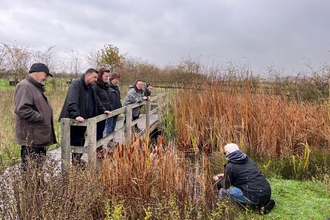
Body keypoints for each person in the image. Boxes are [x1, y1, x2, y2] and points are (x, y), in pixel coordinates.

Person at [59, 68, 111, 163]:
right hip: (75, 119)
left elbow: (96, 100)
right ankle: (76, 161)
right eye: (94, 77)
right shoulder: (76, 84)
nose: (96, 79)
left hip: (84, 120)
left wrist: (103, 109)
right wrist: (76, 115)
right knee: (76, 141)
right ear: (87, 75)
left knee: (81, 139)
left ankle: (78, 160)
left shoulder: (89, 86)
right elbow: (71, 102)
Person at [213, 143, 275, 214]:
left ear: (228, 153)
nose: (225, 155)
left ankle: (219, 210)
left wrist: (217, 180)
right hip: (266, 192)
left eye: (224, 153)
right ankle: (264, 203)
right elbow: (243, 173)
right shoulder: (248, 160)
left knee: (222, 191)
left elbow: (225, 185)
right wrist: (226, 175)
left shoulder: (230, 166)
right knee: (251, 191)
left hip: (254, 195)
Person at [14, 63, 57, 166]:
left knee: (37, 171)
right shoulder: (25, 86)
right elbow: (22, 109)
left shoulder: (34, 87)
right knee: (30, 171)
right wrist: (40, 117)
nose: (46, 78)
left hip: (38, 138)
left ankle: (38, 183)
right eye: (45, 75)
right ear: (37, 73)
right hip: (32, 139)